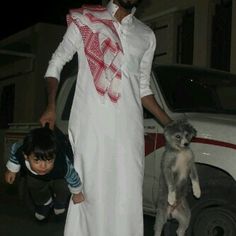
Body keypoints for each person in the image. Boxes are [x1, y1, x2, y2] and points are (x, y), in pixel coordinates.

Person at [40, 0, 172, 235]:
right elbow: (56, 62)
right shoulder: (86, 20)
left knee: (127, 195)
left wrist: (169, 124)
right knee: (90, 194)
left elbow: (142, 88)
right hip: (91, 126)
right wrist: (51, 105)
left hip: (129, 129)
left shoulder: (146, 35)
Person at [5, 125, 84, 221]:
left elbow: (73, 176)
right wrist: (12, 170)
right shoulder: (20, 150)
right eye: (37, 161)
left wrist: (77, 193)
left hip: (58, 175)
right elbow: (15, 150)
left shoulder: (62, 163)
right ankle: (45, 202)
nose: (43, 167)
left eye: (49, 160)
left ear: (54, 156)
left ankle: (60, 201)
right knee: (33, 185)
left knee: (63, 187)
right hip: (36, 176)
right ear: (25, 156)